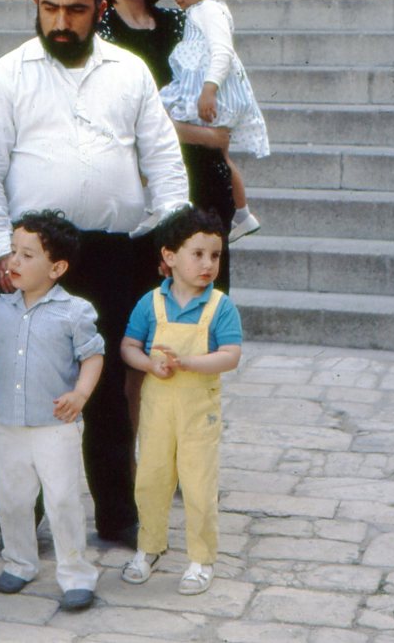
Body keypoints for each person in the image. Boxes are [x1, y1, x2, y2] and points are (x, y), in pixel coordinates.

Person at [0, 0, 188, 547]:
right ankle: (19, 515)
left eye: (76, 9)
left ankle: (117, 514)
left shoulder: (131, 71)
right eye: (50, 8)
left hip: (118, 255)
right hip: (33, 262)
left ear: (101, 9)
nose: (61, 21)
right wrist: (3, 256)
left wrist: (168, 239)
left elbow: (165, 162)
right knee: (29, 386)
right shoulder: (6, 75)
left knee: (112, 386)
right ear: (35, 6)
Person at [0, 210, 104, 612]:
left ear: (56, 267)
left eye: (27, 255)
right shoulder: (1, 308)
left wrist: (80, 394)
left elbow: (93, 356)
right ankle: (20, 562)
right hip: (9, 424)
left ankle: (76, 573)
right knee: (12, 498)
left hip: (55, 425)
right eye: (13, 253)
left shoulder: (75, 311)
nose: (14, 262)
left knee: (61, 499)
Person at [93, 0, 234, 290]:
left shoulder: (181, 22)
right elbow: (118, 119)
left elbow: (219, 86)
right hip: (141, 182)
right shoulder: (100, 30)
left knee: (204, 297)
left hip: (202, 178)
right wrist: (203, 136)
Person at [120, 206, 242, 596]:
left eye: (216, 255)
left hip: (198, 414)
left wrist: (188, 362)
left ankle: (201, 558)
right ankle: (149, 546)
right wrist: (149, 365)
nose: (208, 264)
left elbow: (231, 355)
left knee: (198, 483)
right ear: (169, 257)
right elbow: (128, 347)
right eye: (198, 254)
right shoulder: (150, 304)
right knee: (151, 478)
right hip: (157, 410)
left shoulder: (219, 306)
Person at [159, 0, 270, 243]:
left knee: (217, 155)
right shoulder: (200, 10)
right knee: (219, 156)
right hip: (205, 90)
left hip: (214, 94)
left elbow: (222, 51)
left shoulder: (209, 11)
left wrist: (209, 89)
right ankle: (242, 213)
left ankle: (242, 212)